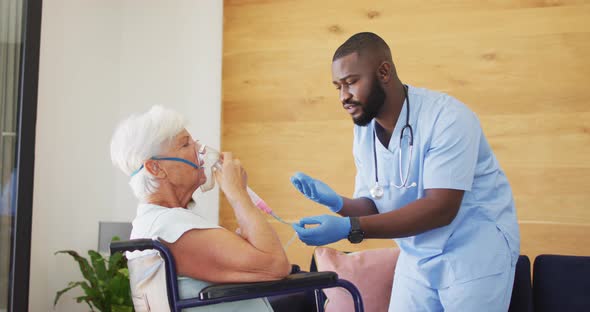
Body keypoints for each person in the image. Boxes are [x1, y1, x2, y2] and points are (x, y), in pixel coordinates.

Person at [291, 32, 520, 311]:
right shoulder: (363, 131)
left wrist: (350, 228)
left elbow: (441, 208)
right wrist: (338, 204)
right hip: (416, 255)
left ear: (384, 72)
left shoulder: (448, 118)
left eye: (351, 83)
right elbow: (373, 206)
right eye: (337, 86)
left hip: (473, 253)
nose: (343, 96)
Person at [110, 106, 290, 312]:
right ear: (155, 168)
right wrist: (237, 193)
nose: (201, 149)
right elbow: (275, 265)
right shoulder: (171, 227)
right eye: (186, 144)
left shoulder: (156, 223)